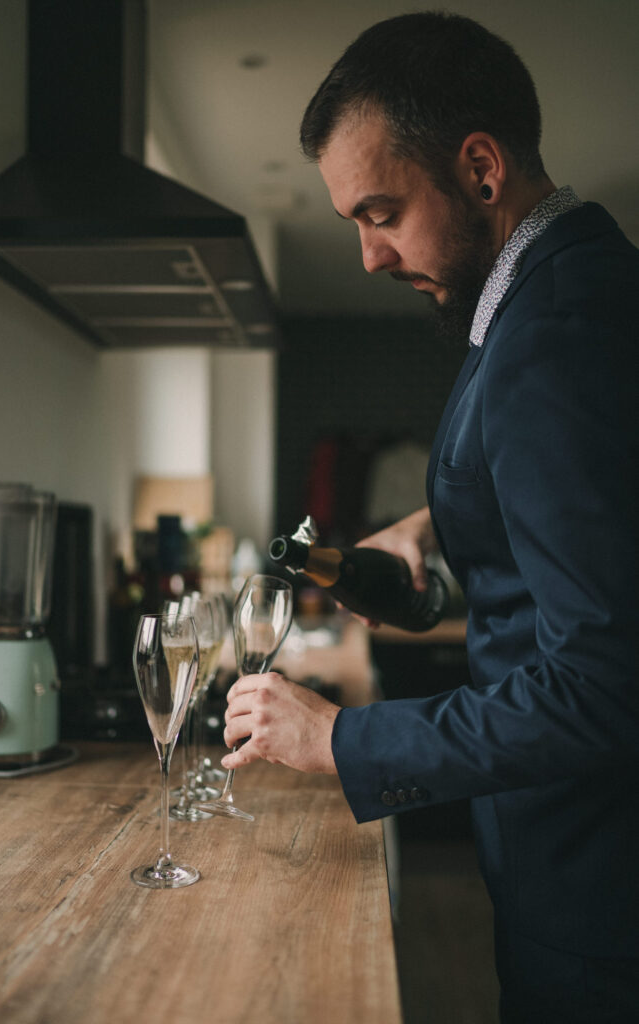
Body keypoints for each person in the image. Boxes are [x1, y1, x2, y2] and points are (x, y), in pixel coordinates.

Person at [221, 12, 639, 1022]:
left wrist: (345, 742)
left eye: (381, 211)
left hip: (595, 898)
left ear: (483, 169)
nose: (367, 256)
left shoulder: (554, 335)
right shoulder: (570, 287)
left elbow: (602, 686)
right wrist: (433, 523)